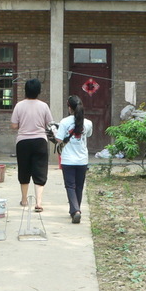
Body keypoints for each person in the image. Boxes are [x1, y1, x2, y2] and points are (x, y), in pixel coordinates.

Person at [10, 79, 53, 212]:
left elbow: (14, 125)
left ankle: (24, 200)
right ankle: (39, 202)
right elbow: (50, 124)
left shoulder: (19, 106)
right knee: (40, 170)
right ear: (39, 91)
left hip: (23, 142)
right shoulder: (44, 106)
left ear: (25, 90)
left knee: (24, 169)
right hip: (40, 141)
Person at [54, 95, 93, 224]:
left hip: (68, 160)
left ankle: (75, 211)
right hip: (82, 159)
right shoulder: (88, 123)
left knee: (70, 186)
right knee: (79, 186)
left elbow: (59, 140)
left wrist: (54, 131)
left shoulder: (64, 122)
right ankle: (75, 210)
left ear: (69, 107)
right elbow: (88, 135)